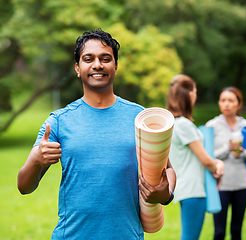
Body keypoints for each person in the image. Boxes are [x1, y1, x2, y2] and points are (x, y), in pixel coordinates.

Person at [17, 29, 176, 240]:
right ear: (77, 68)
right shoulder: (58, 121)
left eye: (105, 58)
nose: (97, 65)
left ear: (116, 66)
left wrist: (166, 194)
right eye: (88, 59)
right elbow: (23, 186)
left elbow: (168, 170)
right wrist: (36, 160)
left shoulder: (139, 117)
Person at [167, 74, 224, 240]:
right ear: (190, 94)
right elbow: (205, 160)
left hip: (186, 189)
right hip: (193, 190)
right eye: (195, 92)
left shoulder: (174, 124)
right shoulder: (184, 125)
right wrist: (218, 167)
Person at [205, 87, 246, 240]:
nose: (226, 104)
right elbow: (207, 157)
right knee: (219, 232)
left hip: (242, 184)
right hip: (220, 185)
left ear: (239, 104)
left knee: (237, 231)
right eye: (223, 100)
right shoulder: (212, 126)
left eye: (231, 100)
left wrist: (243, 152)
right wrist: (227, 149)